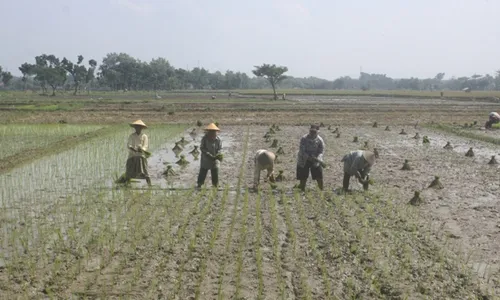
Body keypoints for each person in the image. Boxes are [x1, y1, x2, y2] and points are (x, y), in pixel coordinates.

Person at [117, 120, 151, 186]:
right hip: (132, 155)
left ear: (142, 128)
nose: (138, 128)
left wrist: (141, 149)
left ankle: (150, 185)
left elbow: (145, 146)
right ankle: (127, 185)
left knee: (145, 170)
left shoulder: (144, 136)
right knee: (129, 171)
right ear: (135, 128)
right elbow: (129, 145)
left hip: (141, 156)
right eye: (136, 127)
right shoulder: (132, 136)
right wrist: (133, 148)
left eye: (139, 127)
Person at [296, 124, 325, 191]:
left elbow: (321, 151)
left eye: (314, 132)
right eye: (311, 131)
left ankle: (321, 190)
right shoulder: (304, 138)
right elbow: (302, 150)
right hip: (304, 159)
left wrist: (318, 158)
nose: (313, 133)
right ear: (309, 131)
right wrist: (308, 157)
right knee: (303, 176)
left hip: (315, 159)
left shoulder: (320, 140)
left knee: (319, 175)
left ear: (318, 132)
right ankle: (302, 189)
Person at [197, 123, 222, 188]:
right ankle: (200, 184)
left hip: (215, 158)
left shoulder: (218, 139)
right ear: (208, 132)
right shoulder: (204, 139)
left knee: (215, 171)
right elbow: (202, 148)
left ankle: (215, 184)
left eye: (214, 132)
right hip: (206, 158)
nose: (212, 133)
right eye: (211, 131)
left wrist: (218, 154)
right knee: (203, 171)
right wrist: (208, 154)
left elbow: (220, 148)